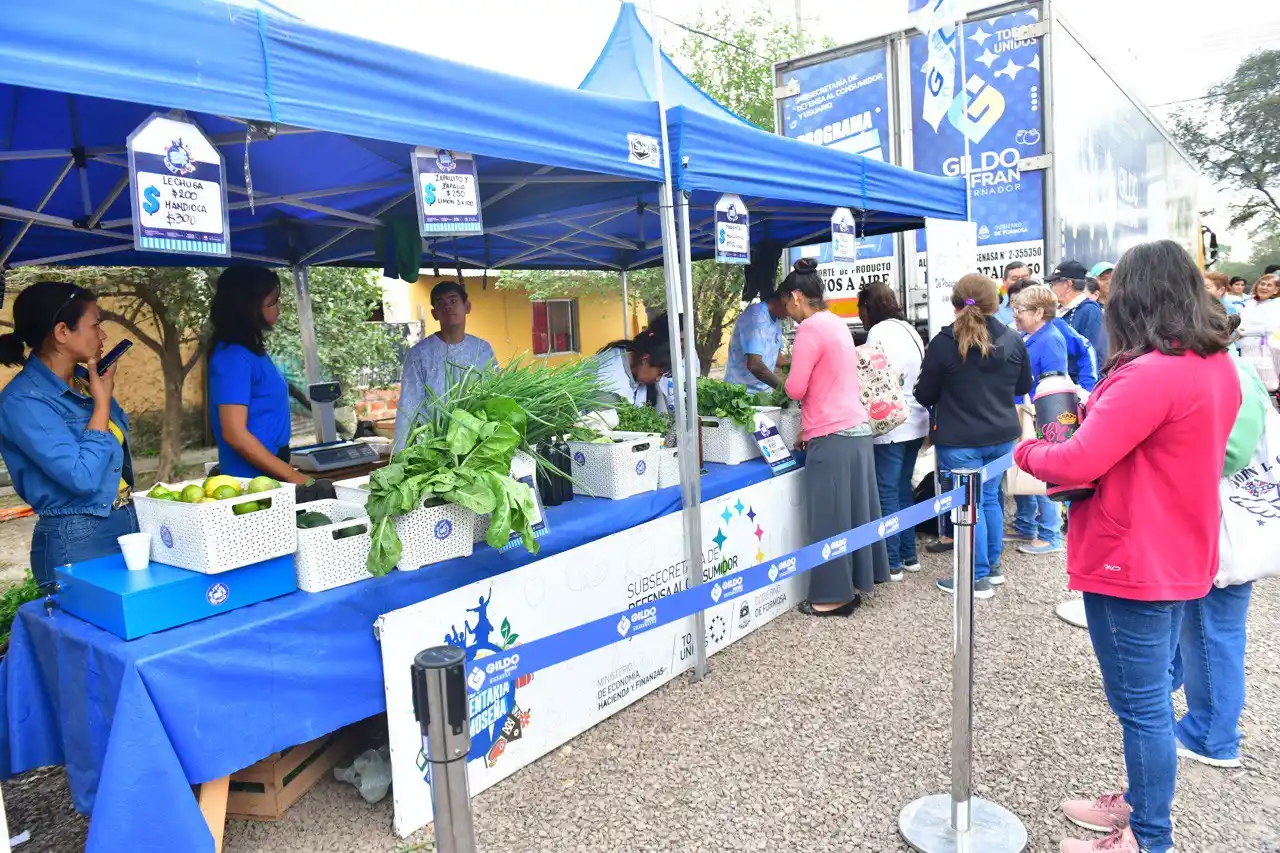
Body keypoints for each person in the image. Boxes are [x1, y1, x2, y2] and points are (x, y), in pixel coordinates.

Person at [1015, 239, 1239, 853]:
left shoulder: (1149, 373)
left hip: (1131, 555)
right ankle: (1140, 808)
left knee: (1140, 709)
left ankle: (1146, 836)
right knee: (1150, 701)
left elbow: (1075, 461)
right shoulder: (1214, 364)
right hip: (1177, 547)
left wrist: (1027, 446)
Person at [1169, 331, 1272, 771]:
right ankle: (1199, 712)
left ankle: (1212, 733)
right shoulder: (1233, 368)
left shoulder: (1230, 374)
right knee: (1206, 625)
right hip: (1224, 517)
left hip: (1224, 519)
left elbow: (1230, 455)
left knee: (1214, 631)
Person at [0, 281, 139, 588]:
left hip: (126, 520)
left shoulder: (86, 381)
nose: (102, 336)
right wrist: (103, 402)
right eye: (95, 325)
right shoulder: (23, 401)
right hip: (76, 537)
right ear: (63, 332)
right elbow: (82, 476)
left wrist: (101, 394)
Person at [781, 258, 888, 616]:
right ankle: (857, 581)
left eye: (787, 305)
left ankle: (832, 597)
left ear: (797, 297)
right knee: (856, 513)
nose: (788, 313)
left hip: (832, 437)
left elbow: (796, 388)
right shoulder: (838, 324)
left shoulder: (810, 329)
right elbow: (835, 383)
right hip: (855, 432)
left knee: (829, 519)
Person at [915, 273, 1031, 597]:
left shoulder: (942, 343)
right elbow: (1023, 387)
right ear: (996, 303)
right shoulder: (1012, 339)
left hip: (959, 440)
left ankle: (975, 577)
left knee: (968, 505)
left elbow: (925, 394)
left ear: (955, 304)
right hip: (1002, 437)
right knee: (991, 499)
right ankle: (992, 569)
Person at [208, 266, 309, 486]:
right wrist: (292, 476)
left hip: (269, 469)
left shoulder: (251, 352)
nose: (279, 307)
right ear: (248, 306)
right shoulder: (232, 357)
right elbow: (235, 433)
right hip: (250, 479)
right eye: (273, 301)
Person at [859, 282, 928, 582]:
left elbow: (873, 378)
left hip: (890, 425)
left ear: (868, 308)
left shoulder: (878, 333)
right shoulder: (908, 328)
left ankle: (892, 561)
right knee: (903, 489)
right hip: (916, 420)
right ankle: (909, 555)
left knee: (886, 491)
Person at [394, 280, 496, 449]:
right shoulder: (420, 354)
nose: (447, 307)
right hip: (434, 444)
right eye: (441, 303)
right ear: (434, 314)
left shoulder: (482, 349)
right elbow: (409, 404)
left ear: (467, 306)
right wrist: (400, 452)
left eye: (453, 301)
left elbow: (495, 394)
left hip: (478, 441)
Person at [1005, 285, 1065, 556]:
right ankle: (1027, 525)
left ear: (1039, 312)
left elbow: (1051, 383)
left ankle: (1050, 534)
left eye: (1020, 310)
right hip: (1025, 411)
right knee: (1025, 469)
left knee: (1042, 475)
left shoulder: (1050, 339)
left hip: (1038, 414)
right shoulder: (1034, 335)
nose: (1015, 315)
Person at [595, 320, 673, 410]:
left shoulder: (635, 368)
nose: (658, 379)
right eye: (659, 373)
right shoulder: (610, 376)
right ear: (645, 360)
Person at [723, 288, 788, 393]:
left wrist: (794, 369)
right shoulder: (756, 315)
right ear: (784, 298)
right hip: (740, 394)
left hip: (761, 395)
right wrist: (784, 390)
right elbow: (754, 365)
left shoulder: (777, 318)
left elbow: (775, 356)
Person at [1048, 260, 1109, 369]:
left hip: (1079, 383)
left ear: (1068, 284)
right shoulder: (1059, 311)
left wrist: (1086, 384)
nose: (1052, 288)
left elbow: (1097, 355)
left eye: (1054, 284)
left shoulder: (1090, 311)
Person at [1237, 274, 1280, 399]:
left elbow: (1270, 328)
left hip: (1263, 351)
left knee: (1262, 388)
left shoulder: (1276, 305)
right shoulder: (1250, 302)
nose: (1264, 287)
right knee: (1248, 386)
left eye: (1269, 285)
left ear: (1276, 290)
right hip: (1245, 349)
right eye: (1262, 284)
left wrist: (1244, 332)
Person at [994, 261, 1032, 326]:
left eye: (1024, 278)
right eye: (1015, 279)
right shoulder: (995, 307)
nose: (1020, 282)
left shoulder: (1042, 302)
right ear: (1004, 281)